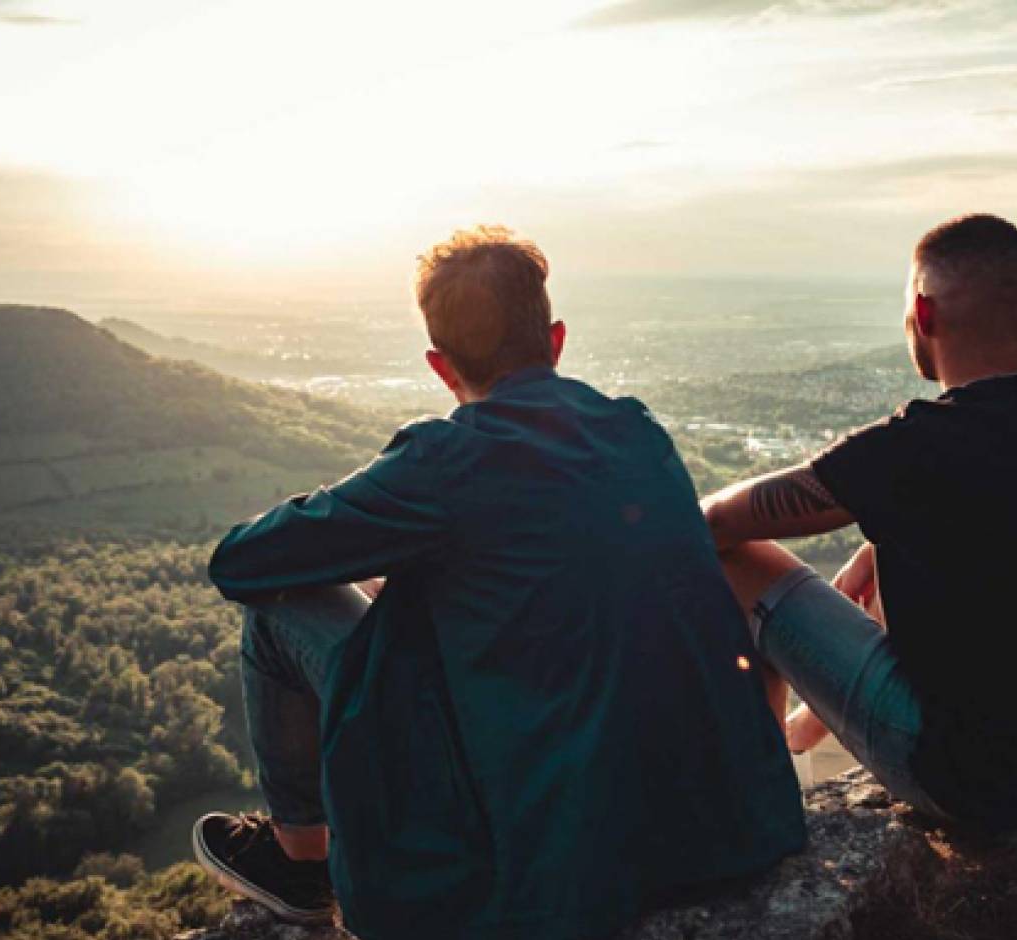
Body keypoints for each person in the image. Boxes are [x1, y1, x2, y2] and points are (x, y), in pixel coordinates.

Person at [194, 225, 806, 939]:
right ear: (556, 339)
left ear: (438, 365)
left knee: (278, 610)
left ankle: (301, 859)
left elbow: (239, 562)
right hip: (714, 826)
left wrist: (371, 523)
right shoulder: (638, 432)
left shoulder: (443, 461)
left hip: (546, 849)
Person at [701, 214, 1017, 829]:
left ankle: (759, 795)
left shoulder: (916, 446)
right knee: (882, 556)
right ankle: (795, 737)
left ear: (923, 316)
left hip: (958, 777)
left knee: (739, 559)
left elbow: (715, 520)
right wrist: (880, 548)